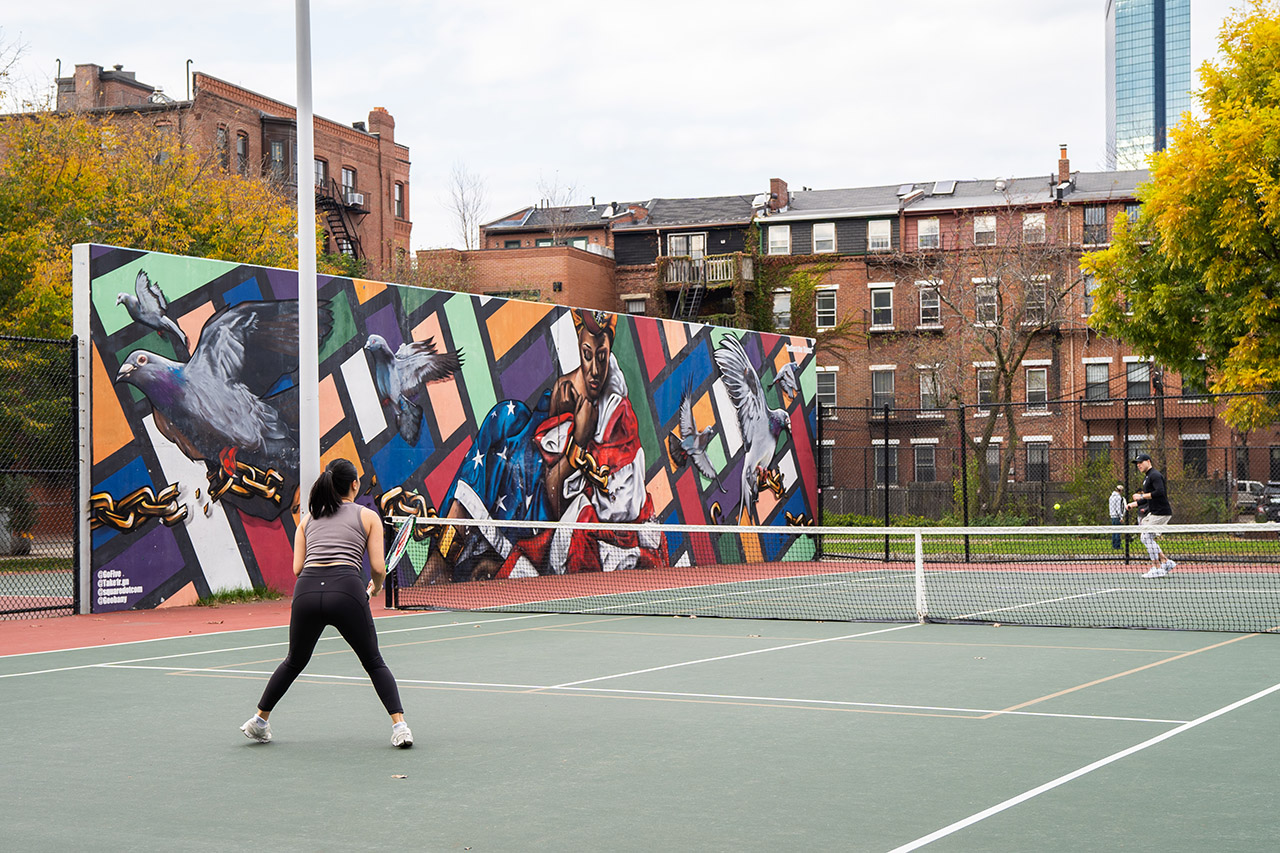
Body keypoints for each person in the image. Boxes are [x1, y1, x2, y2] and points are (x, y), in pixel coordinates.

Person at [240, 458, 412, 747]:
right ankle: (400, 728)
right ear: (354, 484)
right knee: (373, 662)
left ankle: (259, 720)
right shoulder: (368, 516)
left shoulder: (307, 521)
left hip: (306, 592)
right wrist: (376, 587)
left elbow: (297, 569)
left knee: (294, 660)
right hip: (346, 589)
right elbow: (379, 568)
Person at [1126, 453, 1176, 579]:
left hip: (1161, 512)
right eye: (1137, 463)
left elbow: (1160, 492)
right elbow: (1149, 498)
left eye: (1140, 462)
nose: (1138, 465)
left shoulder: (1155, 475)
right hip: (1155, 512)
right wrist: (1134, 504)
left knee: (1146, 537)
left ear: (1148, 461)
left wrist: (1142, 496)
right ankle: (1165, 562)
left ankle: (1157, 568)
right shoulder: (1148, 477)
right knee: (1145, 537)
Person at [1109, 484, 1126, 550]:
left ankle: (1114, 544)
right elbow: (1118, 508)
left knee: (1114, 531)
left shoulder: (1111, 497)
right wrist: (1121, 517)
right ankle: (1117, 546)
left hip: (1112, 515)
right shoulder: (1118, 497)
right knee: (1118, 531)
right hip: (1116, 516)